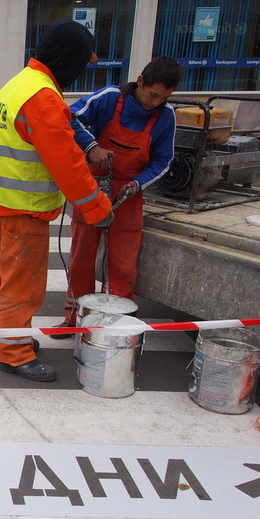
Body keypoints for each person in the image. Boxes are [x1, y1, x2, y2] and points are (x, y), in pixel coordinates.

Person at [0, 19, 113, 382]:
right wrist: (98, 207)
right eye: (83, 63)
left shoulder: (19, 83)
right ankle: (14, 352)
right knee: (23, 283)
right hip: (25, 207)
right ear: (69, 60)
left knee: (4, 274)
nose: (82, 71)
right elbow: (68, 164)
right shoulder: (43, 98)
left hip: (4, 201)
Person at [50, 56, 181, 338]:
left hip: (129, 195)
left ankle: (114, 325)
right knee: (82, 256)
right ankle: (75, 317)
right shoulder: (109, 98)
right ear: (141, 81)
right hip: (93, 189)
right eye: (153, 95)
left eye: (164, 98)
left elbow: (163, 161)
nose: (155, 103)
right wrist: (91, 147)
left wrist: (138, 183)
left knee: (123, 264)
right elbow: (66, 118)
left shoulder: (165, 117)